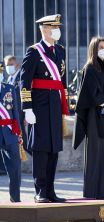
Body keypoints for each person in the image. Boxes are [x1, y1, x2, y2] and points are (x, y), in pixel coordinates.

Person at [20, 14, 68, 203]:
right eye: (54, 27)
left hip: (55, 106)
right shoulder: (34, 52)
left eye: (58, 27)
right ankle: (40, 191)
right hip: (39, 108)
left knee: (53, 150)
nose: (58, 30)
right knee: (40, 150)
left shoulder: (60, 50)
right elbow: (24, 81)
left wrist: (65, 104)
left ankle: (50, 190)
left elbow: (61, 81)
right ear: (45, 30)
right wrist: (27, 108)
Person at [73, 37, 104, 199]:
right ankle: (91, 194)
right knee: (94, 154)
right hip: (94, 117)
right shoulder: (90, 68)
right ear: (94, 49)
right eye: (101, 47)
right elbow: (91, 94)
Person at [0, 61, 21, 202]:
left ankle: (15, 200)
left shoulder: (9, 88)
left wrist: (18, 131)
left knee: (15, 168)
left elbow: (15, 112)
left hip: (9, 132)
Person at [4, 55, 30, 156]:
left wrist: (27, 114)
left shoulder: (21, 77)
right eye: (7, 65)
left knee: (25, 142)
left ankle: (38, 165)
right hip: (12, 116)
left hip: (21, 114)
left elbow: (26, 95)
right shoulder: (9, 79)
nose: (9, 67)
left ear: (17, 65)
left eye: (11, 65)